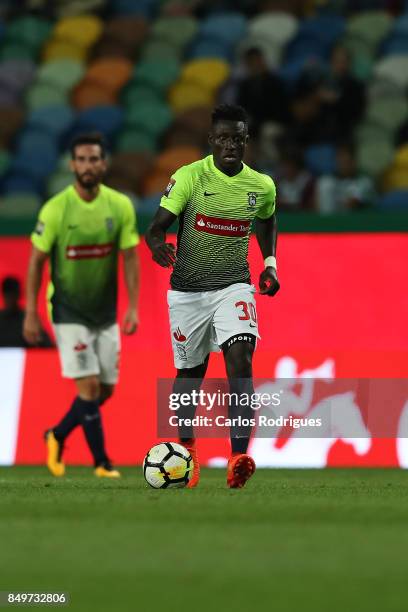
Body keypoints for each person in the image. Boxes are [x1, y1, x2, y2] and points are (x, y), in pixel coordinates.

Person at [146, 104, 280, 489]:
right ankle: (187, 450)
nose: (230, 145)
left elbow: (267, 218)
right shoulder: (189, 177)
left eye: (237, 138)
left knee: (241, 358)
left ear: (246, 140)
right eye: (223, 138)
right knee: (190, 373)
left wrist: (269, 262)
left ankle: (239, 455)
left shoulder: (261, 185)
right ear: (211, 140)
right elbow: (156, 227)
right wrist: (157, 245)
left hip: (233, 286)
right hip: (187, 293)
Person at [23, 133, 140, 478]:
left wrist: (133, 307)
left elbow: (130, 256)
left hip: (104, 313)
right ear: (72, 164)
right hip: (67, 309)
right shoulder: (57, 208)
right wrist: (31, 312)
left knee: (105, 390)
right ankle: (102, 463)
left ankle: (56, 434)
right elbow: (36, 261)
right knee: (88, 387)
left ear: (104, 164)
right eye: (82, 160)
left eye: (94, 159)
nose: (88, 166)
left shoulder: (119, 206)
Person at [0, 276, 53, 348]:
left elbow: (47, 345)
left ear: (18, 294)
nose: (10, 298)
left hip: (27, 358)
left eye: (13, 293)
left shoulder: (29, 319)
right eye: (8, 293)